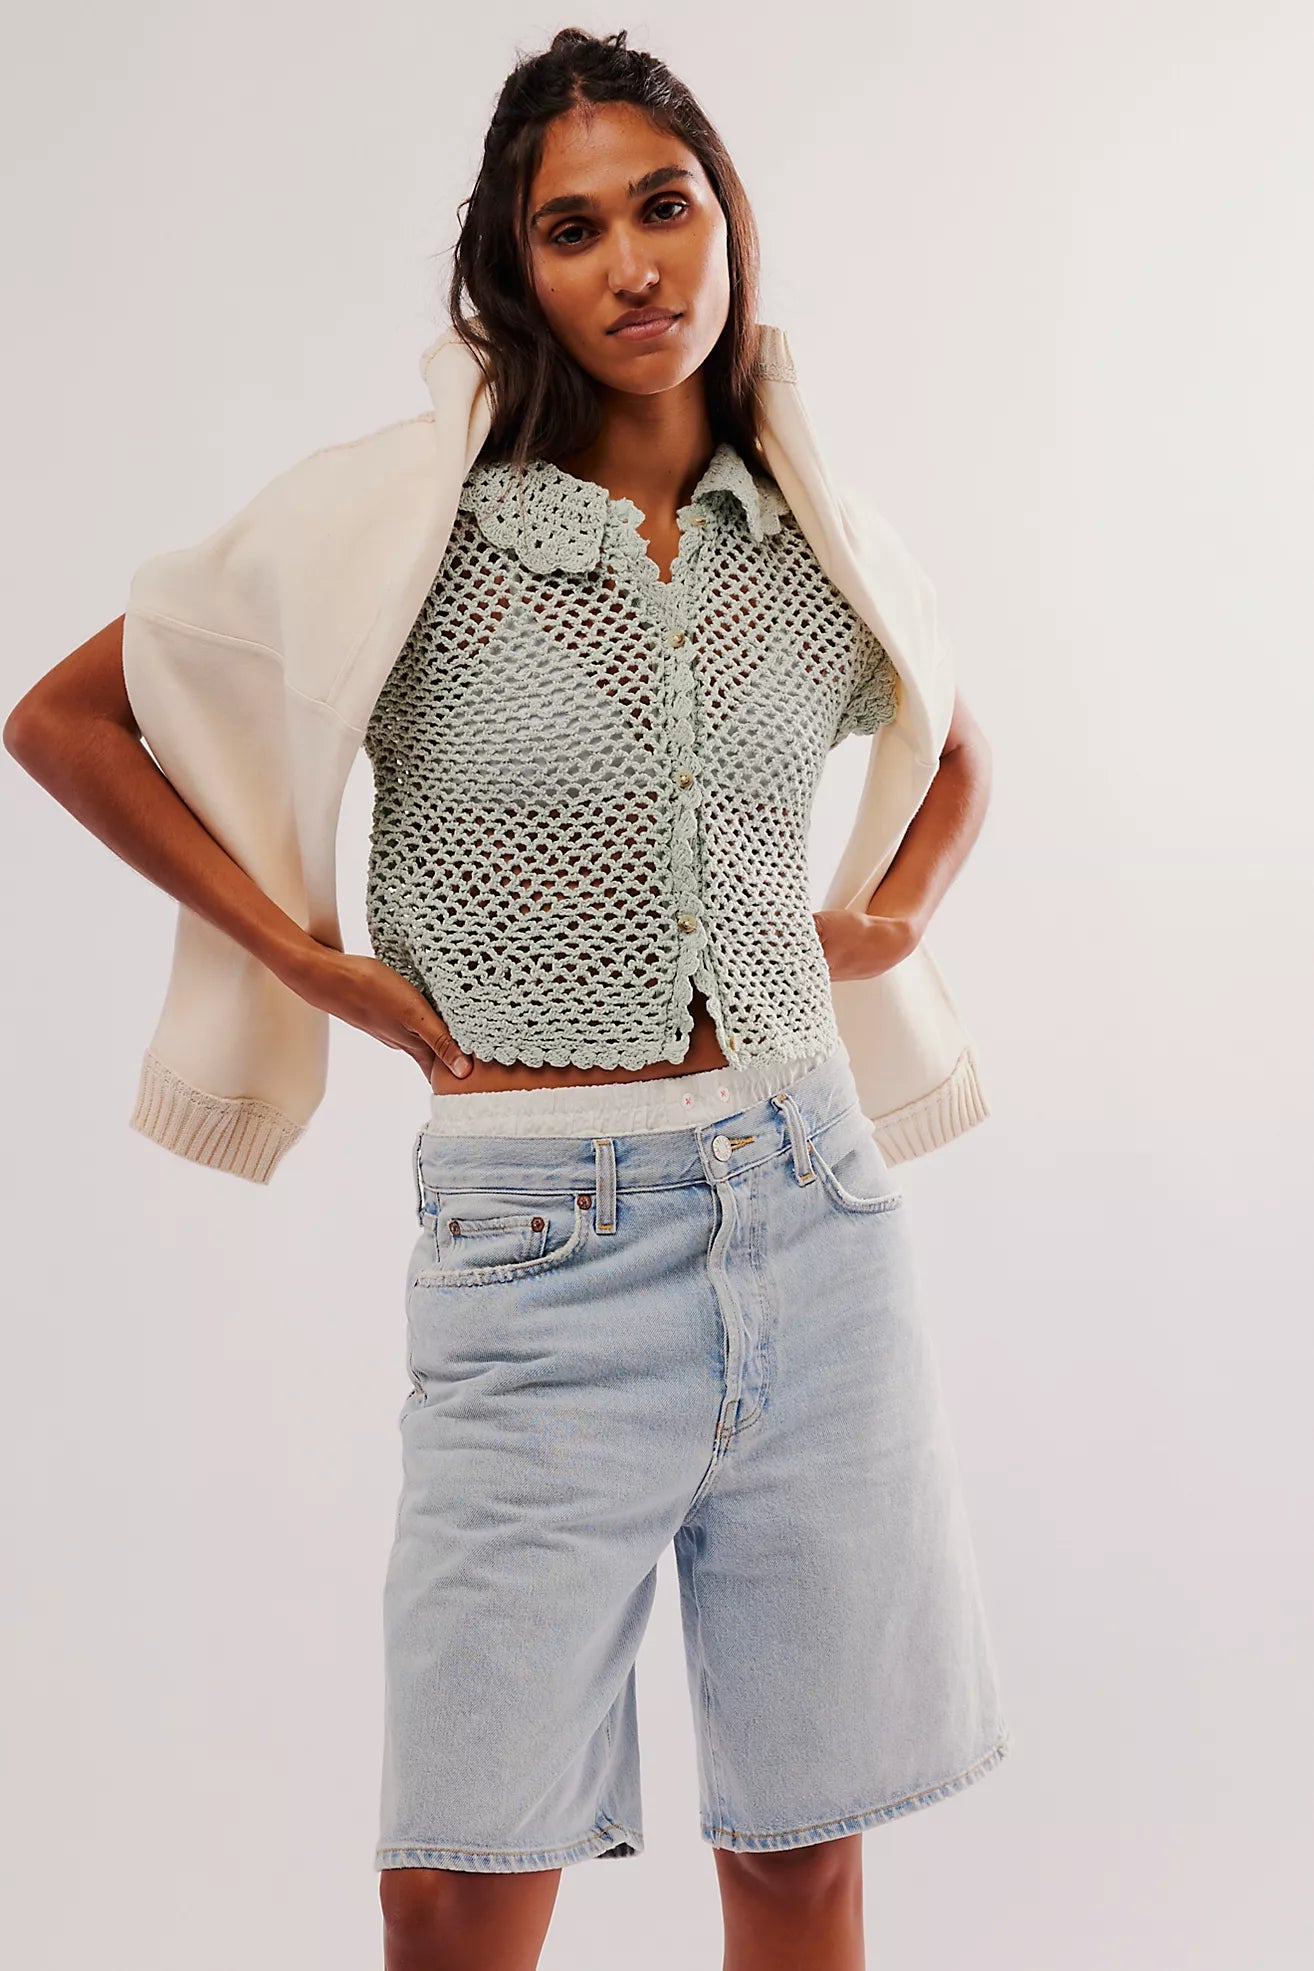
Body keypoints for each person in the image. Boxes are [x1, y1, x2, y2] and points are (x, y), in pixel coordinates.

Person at [4, 26, 1010, 1971]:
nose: (635, 263)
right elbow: (67, 717)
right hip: (539, 1251)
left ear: (726, 221)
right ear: (512, 271)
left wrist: (887, 916)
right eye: (574, 228)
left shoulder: (804, 537)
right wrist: (299, 955)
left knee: (800, 1854)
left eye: (666, 205)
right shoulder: (408, 541)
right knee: (459, 1884)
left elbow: (956, 736)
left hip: (818, 1221)